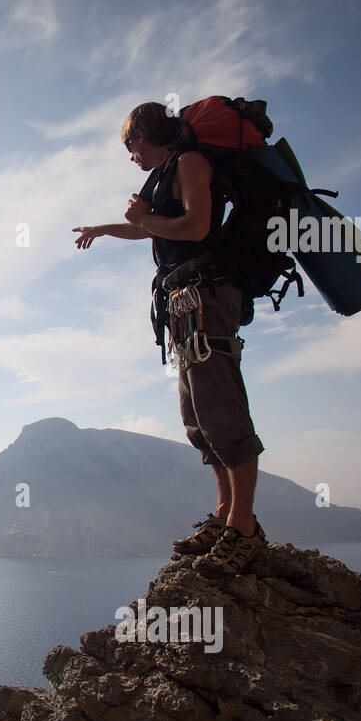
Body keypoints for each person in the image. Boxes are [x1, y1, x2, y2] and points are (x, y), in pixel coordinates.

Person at [71, 102, 267, 576]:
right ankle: (223, 514)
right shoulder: (161, 177)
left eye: (129, 143)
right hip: (183, 303)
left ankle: (244, 527)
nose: (129, 155)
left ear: (145, 133)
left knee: (222, 412)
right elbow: (152, 228)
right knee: (197, 418)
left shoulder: (191, 164)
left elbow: (197, 227)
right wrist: (107, 228)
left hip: (207, 294)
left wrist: (142, 219)